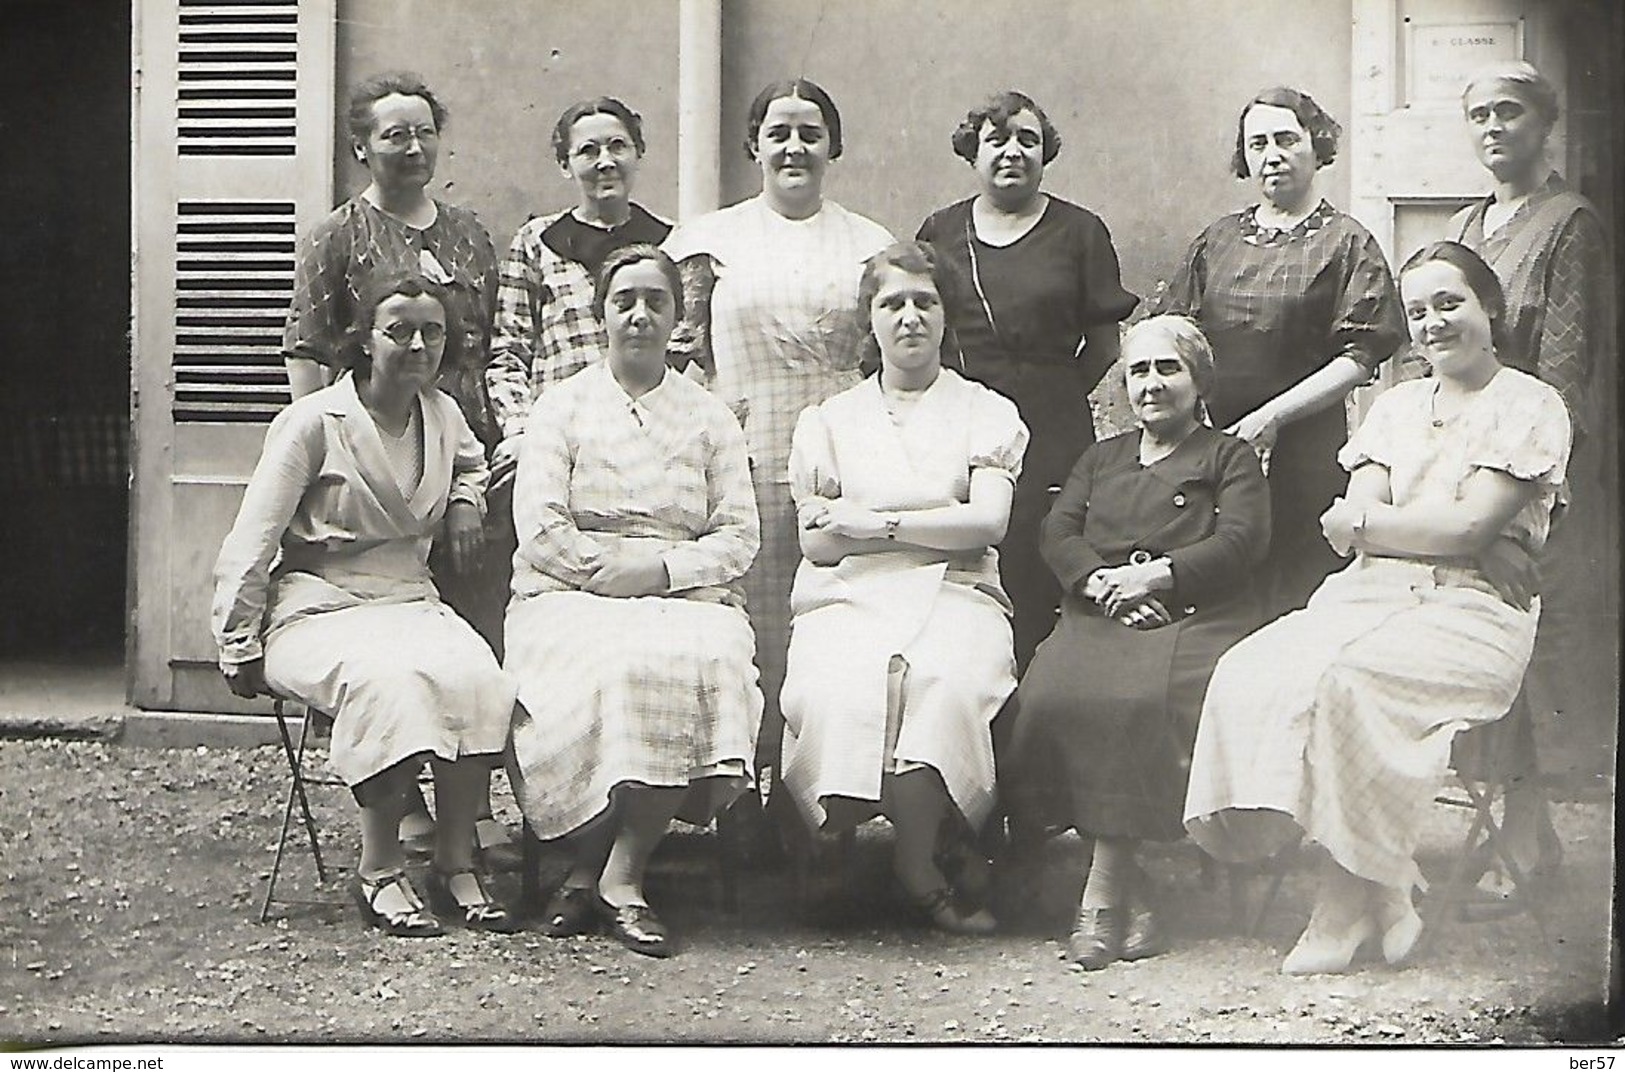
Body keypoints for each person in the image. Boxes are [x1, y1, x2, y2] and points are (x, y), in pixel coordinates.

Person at [1183, 242, 1571, 975]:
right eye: (1416, 311)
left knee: (1347, 683)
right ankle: (1387, 884)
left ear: (1489, 307)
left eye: (1449, 303)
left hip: (1476, 612)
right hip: (1367, 593)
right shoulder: (1393, 407)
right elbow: (1348, 525)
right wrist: (1446, 529)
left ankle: (1338, 904)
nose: (1431, 323)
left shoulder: (1529, 403)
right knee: (1250, 667)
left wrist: (1445, 533)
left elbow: (1452, 528)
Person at [214, 273, 521, 937]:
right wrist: (237, 635)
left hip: (410, 597)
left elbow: (470, 465)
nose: (417, 345)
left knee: (480, 679)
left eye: (432, 331)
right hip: (317, 604)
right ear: (365, 340)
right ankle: (378, 870)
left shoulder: (441, 414)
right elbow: (255, 534)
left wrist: (466, 502)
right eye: (398, 330)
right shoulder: (313, 422)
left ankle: (452, 858)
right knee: (389, 685)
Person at [505, 245, 762, 958]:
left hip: (681, 588)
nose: (640, 315)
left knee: (695, 656)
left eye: (656, 301)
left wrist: (655, 572)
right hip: (567, 590)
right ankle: (600, 869)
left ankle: (610, 874)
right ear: (601, 316)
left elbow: (739, 535)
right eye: (625, 301)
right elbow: (541, 524)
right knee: (610, 667)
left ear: (678, 318)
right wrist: (602, 574)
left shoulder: (709, 416)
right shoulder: (560, 407)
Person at [281, 71, 513, 860]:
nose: (411, 149)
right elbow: (308, 358)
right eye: (393, 135)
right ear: (361, 147)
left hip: (459, 447)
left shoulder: (469, 234)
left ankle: (466, 814)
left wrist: (471, 482)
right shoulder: (336, 236)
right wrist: (322, 459)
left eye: (423, 133)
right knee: (382, 641)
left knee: (469, 625)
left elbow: (483, 348)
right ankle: (400, 801)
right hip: (366, 454)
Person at [778, 240, 1028, 935]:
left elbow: (985, 523)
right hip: (846, 593)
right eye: (893, 303)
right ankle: (837, 836)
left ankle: (916, 863)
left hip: (958, 591)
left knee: (939, 679)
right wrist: (919, 525)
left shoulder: (985, 411)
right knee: (841, 680)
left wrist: (874, 521)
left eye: (925, 302)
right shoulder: (828, 420)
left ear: (946, 316)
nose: (910, 317)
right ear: (871, 320)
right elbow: (819, 543)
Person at [1006, 315, 1270, 970]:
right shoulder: (1101, 458)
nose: (1151, 384)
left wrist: (1154, 577)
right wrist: (1101, 585)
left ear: (1198, 379)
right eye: (1138, 371)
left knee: (1137, 703)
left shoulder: (1227, 455)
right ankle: (1136, 891)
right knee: (1047, 697)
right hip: (1101, 612)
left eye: (1166, 369)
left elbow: (1240, 541)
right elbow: (1057, 531)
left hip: (1192, 614)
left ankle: (1101, 891)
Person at [663, 78, 893, 780]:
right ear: (754, 145)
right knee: (750, 619)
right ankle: (744, 790)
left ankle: (824, 792)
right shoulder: (709, 239)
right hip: (745, 450)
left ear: (833, 147)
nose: (794, 147)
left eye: (810, 133)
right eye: (779, 132)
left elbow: (879, 360)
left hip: (839, 451)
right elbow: (680, 354)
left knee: (832, 613)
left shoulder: (868, 243)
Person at [1434, 62, 1616, 891]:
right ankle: (1513, 824)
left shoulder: (1569, 224)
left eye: (1509, 112)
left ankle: (1527, 830)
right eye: (1478, 114)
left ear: (1543, 124)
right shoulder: (1468, 224)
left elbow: (1564, 379)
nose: (1492, 127)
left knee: (1529, 646)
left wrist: (1517, 513)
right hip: (1464, 477)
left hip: (1534, 476)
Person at [1154, 87, 1407, 618]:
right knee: (1218, 590)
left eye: (1287, 140)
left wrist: (1272, 416)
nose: (1272, 155)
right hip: (1216, 443)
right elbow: (1174, 334)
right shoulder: (1217, 240)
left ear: (1317, 147)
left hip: (1305, 448)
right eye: (1257, 143)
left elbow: (1361, 357)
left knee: (1296, 593)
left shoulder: (1345, 242)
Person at [916, 90, 1139, 669]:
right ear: (973, 151)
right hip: (959, 428)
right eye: (997, 140)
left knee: (1044, 563)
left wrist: (1051, 394)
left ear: (1046, 152)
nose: (1012, 152)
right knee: (966, 565)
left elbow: (1105, 345)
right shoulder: (940, 232)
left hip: (1052, 427)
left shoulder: (1080, 231)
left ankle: (1035, 717)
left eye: (1028, 140)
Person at [486, 96, 672, 480]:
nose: (606, 161)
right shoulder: (537, 241)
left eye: (618, 146)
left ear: (638, 153)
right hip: (560, 444)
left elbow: (686, 352)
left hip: (649, 444)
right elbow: (508, 353)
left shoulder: (670, 243)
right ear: (565, 165)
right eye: (588, 151)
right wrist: (523, 431)